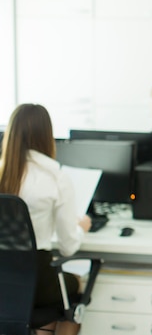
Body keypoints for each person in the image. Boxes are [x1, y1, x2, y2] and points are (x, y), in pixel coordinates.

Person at [0, 104, 92, 335]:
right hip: (37, 279)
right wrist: (81, 227)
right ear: (46, 136)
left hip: (4, 281)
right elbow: (68, 247)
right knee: (75, 287)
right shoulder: (55, 178)